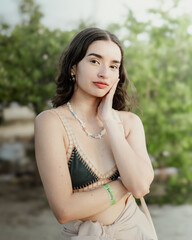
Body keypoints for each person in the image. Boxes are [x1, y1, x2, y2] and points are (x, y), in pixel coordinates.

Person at [34, 27, 158, 240]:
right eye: (94, 61)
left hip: (135, 232)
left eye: (113, 66)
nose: (104, 73)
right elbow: (64, 210)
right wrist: (125, 183)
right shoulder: (51, 122)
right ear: (74, 67)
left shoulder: (128, 122)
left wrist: (109, 120)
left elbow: (139, 188)